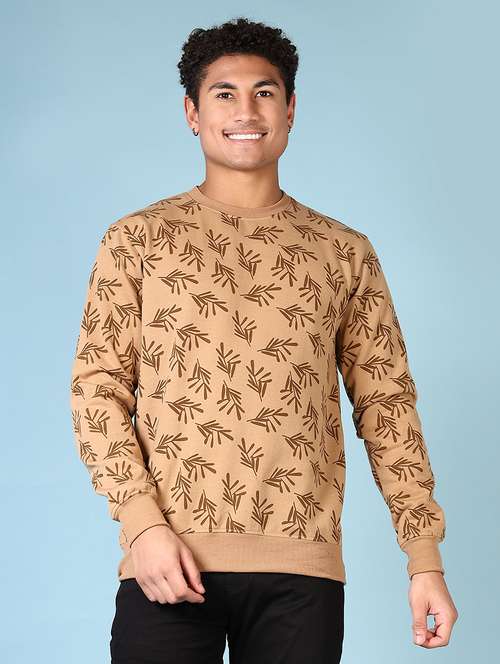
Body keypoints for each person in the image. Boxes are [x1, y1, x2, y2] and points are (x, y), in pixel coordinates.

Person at [69, 16, 458, 663]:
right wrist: (142, 526)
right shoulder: (138, 240)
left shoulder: (343, 253)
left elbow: (387, 406)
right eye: (224, 94)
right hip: (166, 559)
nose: (245, 111)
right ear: (192, 113)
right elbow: (97, 393)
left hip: (301, 575)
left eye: (264, 92)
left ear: (291, 109)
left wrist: (424, 560)